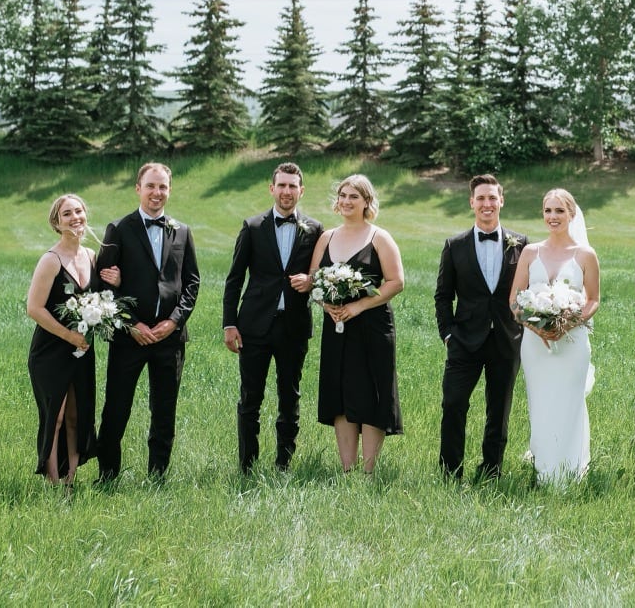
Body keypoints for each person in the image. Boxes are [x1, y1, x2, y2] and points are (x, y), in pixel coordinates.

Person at [96, 162, 201, 482]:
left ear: (169, 190)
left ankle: (157, 475)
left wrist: (174, 322)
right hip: (130, 337)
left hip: (169, 339)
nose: (157, 193)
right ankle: (107, 475)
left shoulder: (181, 231)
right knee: (117, 407)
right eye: (151, 186)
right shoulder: (119, 229)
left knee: (164, 410)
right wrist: (131, 324)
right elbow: (103, 285)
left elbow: (192, 282)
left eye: (163, 187)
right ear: (138, 188)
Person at [222, 162, 323, 474]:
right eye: (281, 185)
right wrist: (229, 323)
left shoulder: (316, 229)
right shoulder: (252, 227)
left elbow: (322, 275)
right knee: (250, 398)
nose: (287, 191)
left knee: (289, 397)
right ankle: (247, 466)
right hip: (254, 326)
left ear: (301, 190)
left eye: (293, 186)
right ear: (272, 188)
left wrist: (311, 281)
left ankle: (283, 464)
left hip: (293, 326)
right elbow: (234, 278)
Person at [308, 174, 405, 474]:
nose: (347, 201)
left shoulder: (379, 237)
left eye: (354, 196)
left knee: (372, 390)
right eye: (343, 196)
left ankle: (368, 471)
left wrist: (359, 305)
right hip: (337, 327)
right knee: (341, 391)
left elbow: (396, 281)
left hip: (373, 326)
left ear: (367, 202)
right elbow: (313, 280)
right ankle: (347, 468)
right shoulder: (326, 237)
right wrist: (327, 306)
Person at [434, 174, 526, 481]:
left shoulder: (522, 244)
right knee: (454, 404)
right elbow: (443, 295)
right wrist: (447, 333)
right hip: (463, 340)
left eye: (492, 198)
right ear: (472, 203)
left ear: (501, 200)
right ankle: (450, 472)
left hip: (506, 339)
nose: (487, 204)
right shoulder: (455, 245)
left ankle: (491, 470)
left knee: (498, 411)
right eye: (481, 198)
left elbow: (528, 291)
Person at [509, 188, 600, 485]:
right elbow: (514, 300)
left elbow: (593, 300)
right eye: (548, 210)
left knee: (570, 402)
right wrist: (539, 328)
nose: (553, 217)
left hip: (571, 343)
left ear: (571, 214)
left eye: (559, 211)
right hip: (536, 345)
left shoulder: (585, 255)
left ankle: (572, 473)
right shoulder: (530, 252)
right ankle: (544, 469)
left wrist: (565, 325)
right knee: (541, 401)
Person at [27, 193, 118, 486]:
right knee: (55, 416)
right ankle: (53, 483)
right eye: (67, 214)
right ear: (56, 222)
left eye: (78, 211)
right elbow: (34, 309)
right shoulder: (50, 260)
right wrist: (68, 335)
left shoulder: (91, 256)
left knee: (77, 417)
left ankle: (70, 481)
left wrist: (114, 282)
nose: (75, 218)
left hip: (82, 350)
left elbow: (104, 296)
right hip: (51, 349)